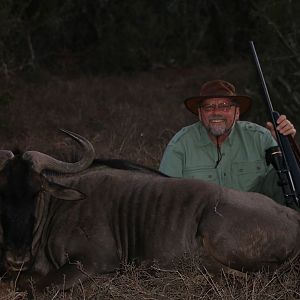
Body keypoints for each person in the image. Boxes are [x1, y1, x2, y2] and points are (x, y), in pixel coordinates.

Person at [159, 79, 297, 205]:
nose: (216, 112)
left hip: (256, 223)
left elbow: (287, 184)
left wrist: (287, 146)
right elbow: (164, 198)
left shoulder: (261, 138)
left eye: (225, 106)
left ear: (237, 112)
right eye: (208, 107)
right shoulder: (180, 145)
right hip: (200, 227)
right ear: (200, 114)